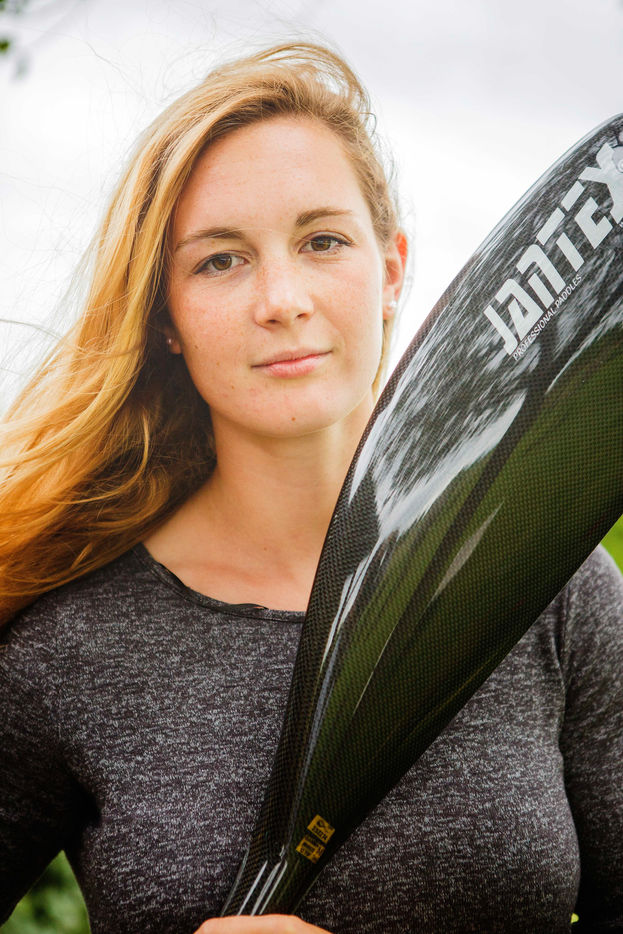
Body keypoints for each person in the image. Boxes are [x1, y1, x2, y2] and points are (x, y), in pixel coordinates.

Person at [0, 40, 621, 934]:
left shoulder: (550, 588)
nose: (281, 299)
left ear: (391, 270)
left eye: (321, 241)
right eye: (220, 260)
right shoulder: (71, 648)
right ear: (166, 316)